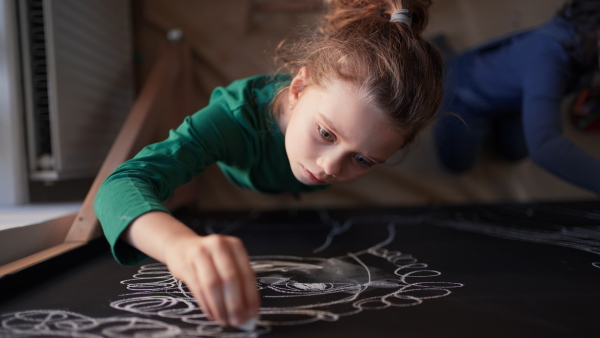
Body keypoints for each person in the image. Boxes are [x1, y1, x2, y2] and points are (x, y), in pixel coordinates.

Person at [94, 0, 444, 329]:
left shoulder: (337, 136)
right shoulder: (232, 119)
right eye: (325, 132)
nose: (329, 168)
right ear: (298, 88)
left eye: (363, 159)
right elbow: (119, 185)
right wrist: (178, 247)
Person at [434, 0, 600, 195]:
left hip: (515, 97)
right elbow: (546, 147)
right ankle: (444, 66)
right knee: (458, 164)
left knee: (514, 153)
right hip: (469, 97)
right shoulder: (547, 58)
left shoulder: (583, 31)